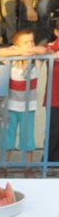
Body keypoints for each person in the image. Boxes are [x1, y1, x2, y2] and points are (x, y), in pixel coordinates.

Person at [0, 27, 48, 175]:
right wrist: (19, 52)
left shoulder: (36, 59)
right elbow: (1, 52)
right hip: (10, 106)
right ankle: (3, 166)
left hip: (28, 107)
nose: (30, 44)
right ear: (16, 46)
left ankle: (28, 167)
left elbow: (43, 50)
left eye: (32, 41)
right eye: (25, 42)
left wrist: (29, 50)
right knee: (8, 137)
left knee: (28, 137)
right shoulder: (12, 58)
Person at [43, 19, 59, 161]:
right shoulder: (50, 46)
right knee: (54, 130)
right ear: (56, 31)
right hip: (54, 97)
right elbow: (42, 51)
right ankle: (48, 161)